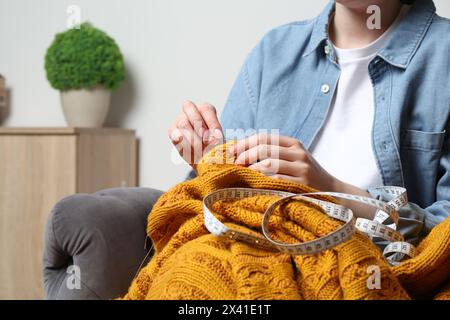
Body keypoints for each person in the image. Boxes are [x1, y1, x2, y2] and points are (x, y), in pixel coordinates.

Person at [168, 0, 450, 243]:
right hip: (253, 254)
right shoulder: (273, 51)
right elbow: (216, 200)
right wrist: (207, 158)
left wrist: (331, 190)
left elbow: (443, 227)